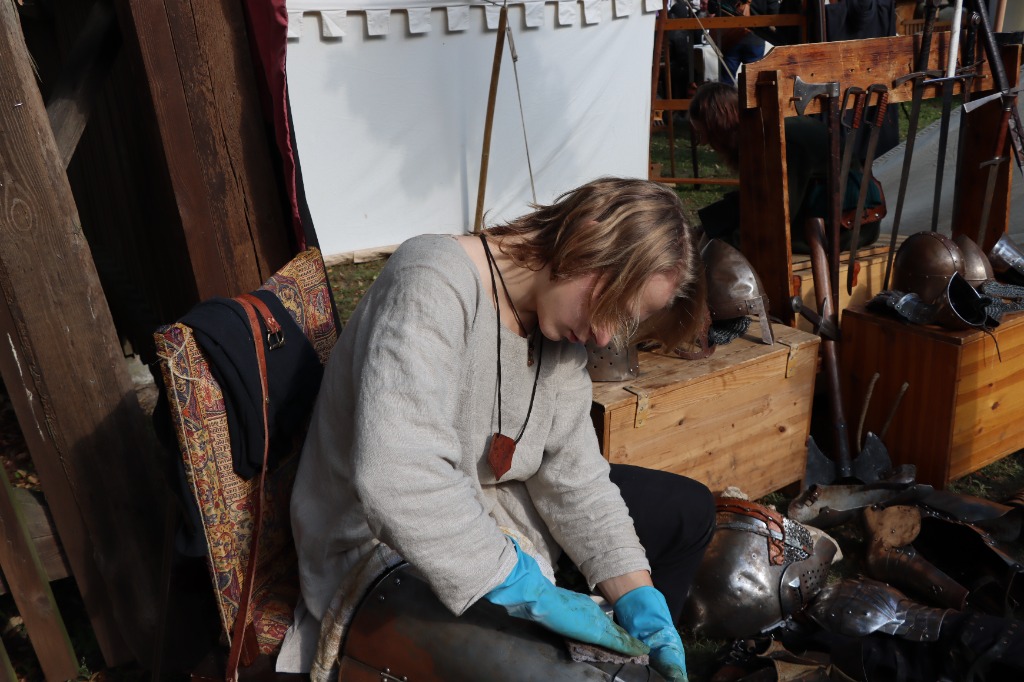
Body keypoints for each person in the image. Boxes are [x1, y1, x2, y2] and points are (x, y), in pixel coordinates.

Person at [279, 177, 716, 680]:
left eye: (622, 322)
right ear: (588, 239)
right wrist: (523, 587)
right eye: (609, 307)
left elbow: (576, 479)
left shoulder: (558, 335)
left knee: (685, 511)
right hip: (380, 546)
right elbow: (397, 477)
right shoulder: (433, 281)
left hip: (495, 518)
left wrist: (637, 592)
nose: (603, 336)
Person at [688, 81, 884, 254]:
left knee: (724, 245)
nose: (703, 142)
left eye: (704, 134)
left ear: (720, 127)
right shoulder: (765, 131)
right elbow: (759, 196)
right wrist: (710, 224)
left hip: (846, 229)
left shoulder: (779, 141)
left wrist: (729, 242)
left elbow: (778, 212)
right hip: (824, 212)